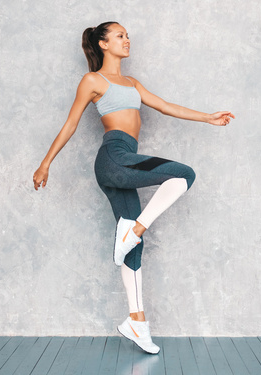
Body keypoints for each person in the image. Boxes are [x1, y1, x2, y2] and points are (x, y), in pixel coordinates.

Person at [33, 21, 235, 354]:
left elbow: (166, 106)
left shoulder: (132, 82)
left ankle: (136, 323)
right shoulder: (92, 80)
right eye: (120, 36)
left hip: (126, 158)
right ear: (103, 43)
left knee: (133, 248)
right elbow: (70, 123)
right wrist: (45, 163)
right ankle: (134, 229)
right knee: (183, 174)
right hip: (113, 158)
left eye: (127, 36)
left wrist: (207, 117)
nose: (128, 40)